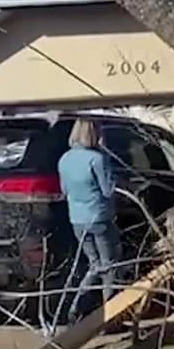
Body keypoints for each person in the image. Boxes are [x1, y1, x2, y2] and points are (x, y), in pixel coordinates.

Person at [57, 119, 120, 324]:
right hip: (99, 217)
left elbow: (64, 191)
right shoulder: (97, 159)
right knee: (109, 265)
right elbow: (108, 190)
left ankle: (76, 307)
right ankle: (110, 314)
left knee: (94, 265)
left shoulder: (64, 159)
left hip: (77, 219)